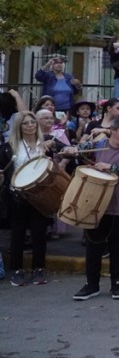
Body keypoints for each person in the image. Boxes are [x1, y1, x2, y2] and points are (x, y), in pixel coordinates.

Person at [72, 117, 119, 301]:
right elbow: (74, 152)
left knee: (118, 249)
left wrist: (111, 167)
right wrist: (70, 150)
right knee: (93, 247)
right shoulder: (98, 145)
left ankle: (117, 284)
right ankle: (91, 285)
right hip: (95, 206)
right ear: (113, 130)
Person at [1, 112, 59, 286]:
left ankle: (39, 269)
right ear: (19, 127)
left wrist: (58, 146)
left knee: (39, 233)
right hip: (17, 195)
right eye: (25, 123)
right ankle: (17, 270)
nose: (30, 126)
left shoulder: (46, 143)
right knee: (17, 234)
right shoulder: (10, 146)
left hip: (39, 195)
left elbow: (66, 149)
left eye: (32, 122)